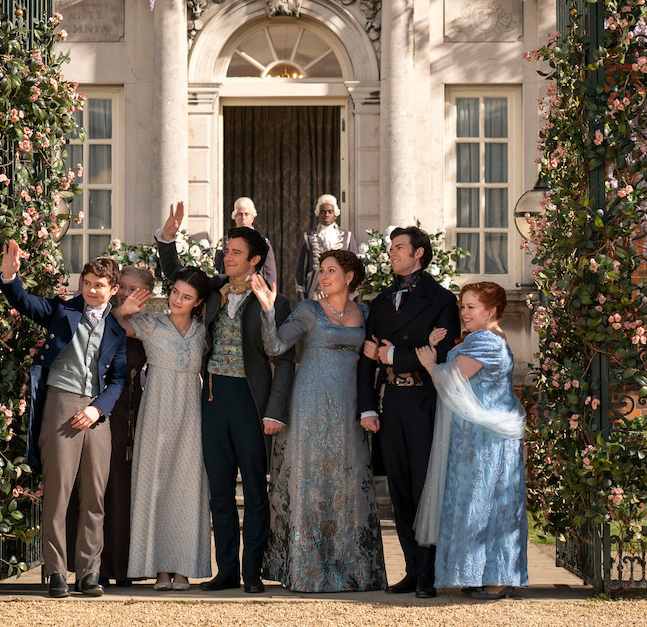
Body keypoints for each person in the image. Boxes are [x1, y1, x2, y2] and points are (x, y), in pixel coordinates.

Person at [156, 201, 296, 594]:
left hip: (252, 402)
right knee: (219, 488)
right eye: (226, 250)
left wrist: (275, 411)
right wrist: (168, 239)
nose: (226, 256)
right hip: (214, 397)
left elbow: (284, 362)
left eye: (235, 252)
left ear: (254, 260)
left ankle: (251, 571)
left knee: (254, 489)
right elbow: (177, 277)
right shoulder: (214, 290)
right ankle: (226, 571)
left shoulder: (276, 301)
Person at [250, 250, 387, 592]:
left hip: (349, 407)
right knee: (309, 485)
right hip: (309, 404)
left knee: (347, 486)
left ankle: (353, 571)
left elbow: (374, 361)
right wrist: (268, 309)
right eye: (321, 271)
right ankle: (305, 570)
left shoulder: (366, 313)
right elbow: (276, 346)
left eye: (331, 271)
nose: (324, 277)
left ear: (350, 276)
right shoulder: (309, 309)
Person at [0, 242, 127, 598]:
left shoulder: (116, 331)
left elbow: (118, 380)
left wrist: (98, 409)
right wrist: (10, 276)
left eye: (99, 285)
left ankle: (89, 574)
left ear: (112, 289)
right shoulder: (61, 311)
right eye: (87, 283)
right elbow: (25, 303)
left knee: (95, 497)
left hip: (97, 415)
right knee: (57, 494)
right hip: (60, 403)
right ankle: (56, 573)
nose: (90, 290)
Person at [358, 226, 460, 599]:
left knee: (424, 489)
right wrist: (367, 405)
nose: (392, 253)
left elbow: (443, 354)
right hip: (389, 406)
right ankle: (411, 569)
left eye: (399, 248)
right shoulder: (381, 301)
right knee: (399, 491)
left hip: (424, 404)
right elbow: (364, 359)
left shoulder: (442, 300)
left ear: (419, 253)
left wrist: (389, 355)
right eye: (391, 248)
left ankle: (428, 574)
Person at [415, 282, 528, 600]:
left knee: (487, 503)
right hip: (479, 436)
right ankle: (483, 574)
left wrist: (429, 363)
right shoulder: (486, 337)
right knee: (480, 503)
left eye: (471, 307)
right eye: (462, 306)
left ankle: (499, 577)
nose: (463, 313)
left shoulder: (486, 341)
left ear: (490, 311)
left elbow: (451, 379)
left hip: (485, 439)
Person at [113, 267, 213, 591]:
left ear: (197, 302)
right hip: (155, 410)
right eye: (174, 292)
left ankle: (182, 568)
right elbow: (105, 328)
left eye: (186, 296)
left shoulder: (203, 332)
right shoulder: (150, 324)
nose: (177, 300)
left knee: (187, 489)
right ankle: (158, 569)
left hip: (191, 413)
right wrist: (122, 309)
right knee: (154, 486)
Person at [97, 266, 155, 587]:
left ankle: (128, 567)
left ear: (147, 293)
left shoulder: (149, 325)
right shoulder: (102, 315)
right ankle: (103, 567)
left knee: (128, 488)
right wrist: (118, 312)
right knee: (106, 485)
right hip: (106, 407)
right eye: (123, 287)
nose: (127, 293)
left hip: (137, 410)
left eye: (135, 289)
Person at [293, 194, 357, 301]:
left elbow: (355, 268)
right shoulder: (308, 237)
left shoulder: (347, 237)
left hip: (341, 291)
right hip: (316, 292)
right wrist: (302, 297)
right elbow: (300, 271)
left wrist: (352, 295)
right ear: (318, 214)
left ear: (335, 214)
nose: (326, 215)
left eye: (330, 212)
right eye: (323, 212)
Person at [213, 197, 277, 288]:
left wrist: (269, 292)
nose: (243, 218)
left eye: (246, 214)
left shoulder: (263, 242)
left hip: (255, 290)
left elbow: (270, 271)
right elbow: (217, 269)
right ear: (235, 217)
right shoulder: (224, 242)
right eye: (240, 214)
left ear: (252, 217)